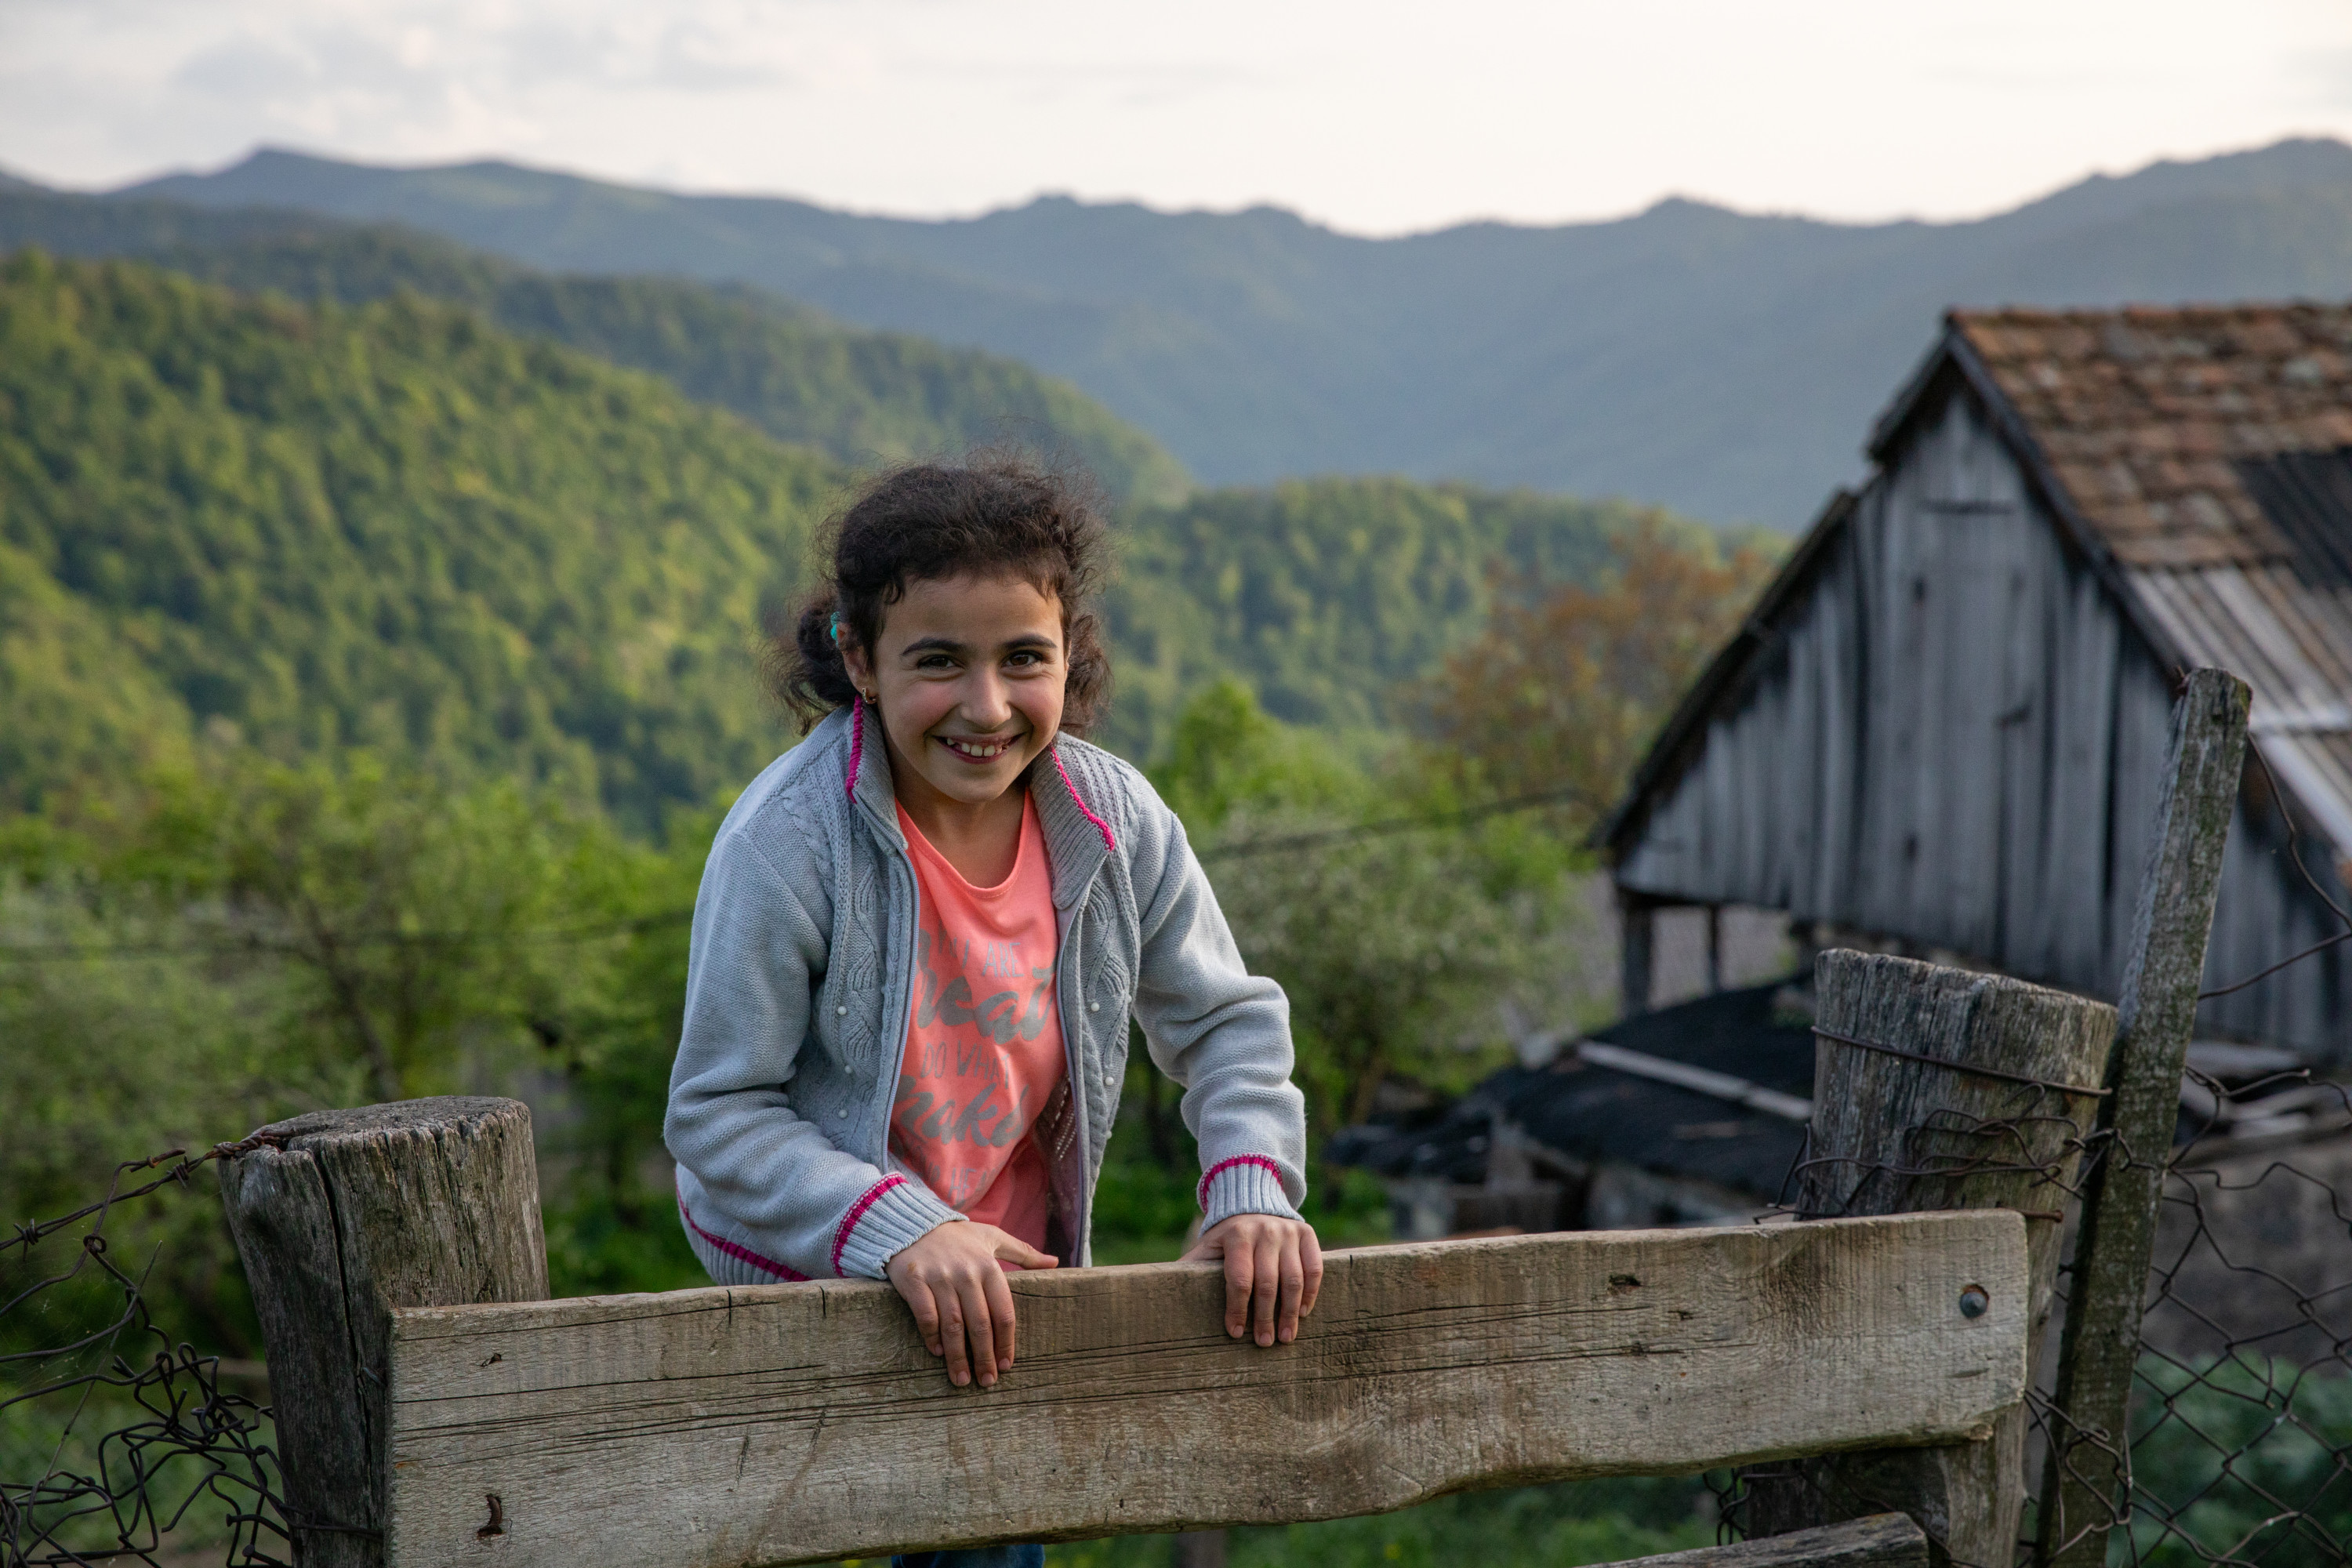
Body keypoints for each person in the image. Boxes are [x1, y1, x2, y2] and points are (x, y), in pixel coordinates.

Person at [664, 456, 1321, 1568]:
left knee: (989, 1534)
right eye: (938, 663)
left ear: (1072, 656)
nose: (986, 706)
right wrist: (897, 1226)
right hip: (820, 1265)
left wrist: (1251, 1186)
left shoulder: (1112, 823)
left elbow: (1229, 1022)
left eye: (1025, 659)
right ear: (860, 661)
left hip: (1007, 1273)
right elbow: (721, 1115)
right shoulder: (790, 846)